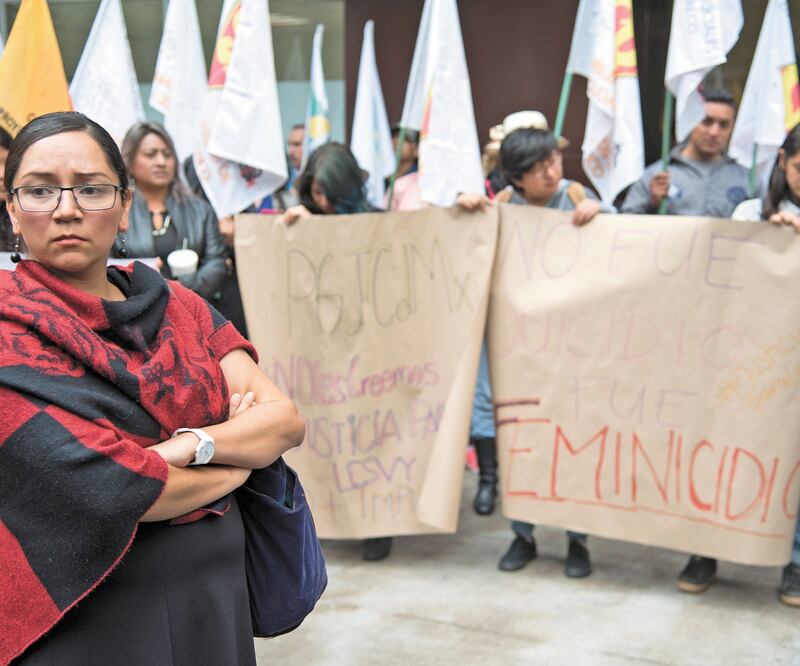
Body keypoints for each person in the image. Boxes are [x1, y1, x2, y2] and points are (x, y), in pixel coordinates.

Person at [1, 111, 306, 665]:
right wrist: (237, 457)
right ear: (13, 211)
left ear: (123, 207)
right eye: (40, 191)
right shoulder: (8, 334)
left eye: (92, 190)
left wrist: (191, 446)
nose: (67, 209)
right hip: (87, 615)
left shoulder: (180, 306)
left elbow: (283, 420)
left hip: (215, 598)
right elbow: (114, 488)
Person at [681, 124, 800, 606]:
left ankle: (795, 562)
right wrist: (764, 240)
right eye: (799, 168)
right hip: (749, 362)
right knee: (729, 452)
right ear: (782, 163)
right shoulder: (750, 213)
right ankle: (705, 551)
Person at [496, 124, 611, 578]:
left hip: (576, 349)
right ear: (515, 177)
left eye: (554, 161)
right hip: (520, 351)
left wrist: (600, 215)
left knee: (574, 438)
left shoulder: (577, 197)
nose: (551, 172)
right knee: (524, 440)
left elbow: (623, 239)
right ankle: (523, 534)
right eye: (538, 167)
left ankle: (576, 541)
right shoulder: (502, 208)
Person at [119, 122, 227, 301]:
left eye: (167, 155)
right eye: (150, 155)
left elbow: (216, 262)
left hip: (194, 307)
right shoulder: (117, 211)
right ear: (129, 161)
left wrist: (184, 291)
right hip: (133, 311)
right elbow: (105, 263)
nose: (161, 162)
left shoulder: (200, 210)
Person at [621, 90, 754, 217]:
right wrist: (652, 204)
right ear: (690, 121)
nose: (714, 132)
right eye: (706, 122)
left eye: (723, 125)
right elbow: (625, 224)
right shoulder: (658, 175)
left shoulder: (747, 179)